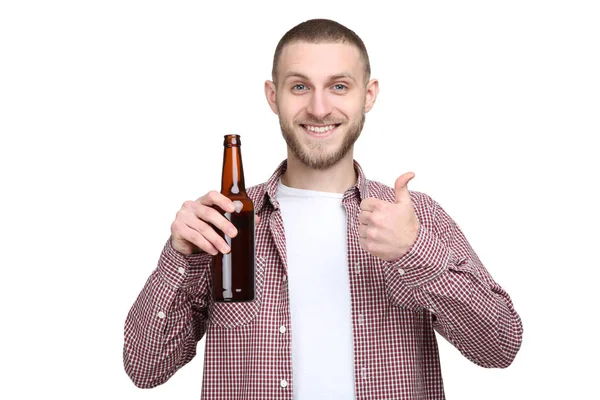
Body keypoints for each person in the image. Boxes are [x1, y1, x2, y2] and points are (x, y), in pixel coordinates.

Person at [123, 18, 523, 399]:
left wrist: (416, 252)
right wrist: (180, 258)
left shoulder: (416, 216)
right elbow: (145, 368)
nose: (318, 108)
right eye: (299, 87)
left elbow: (500, 346)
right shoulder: (225, 225)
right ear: (272, 95)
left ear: (368, 95)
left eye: (339, 86)